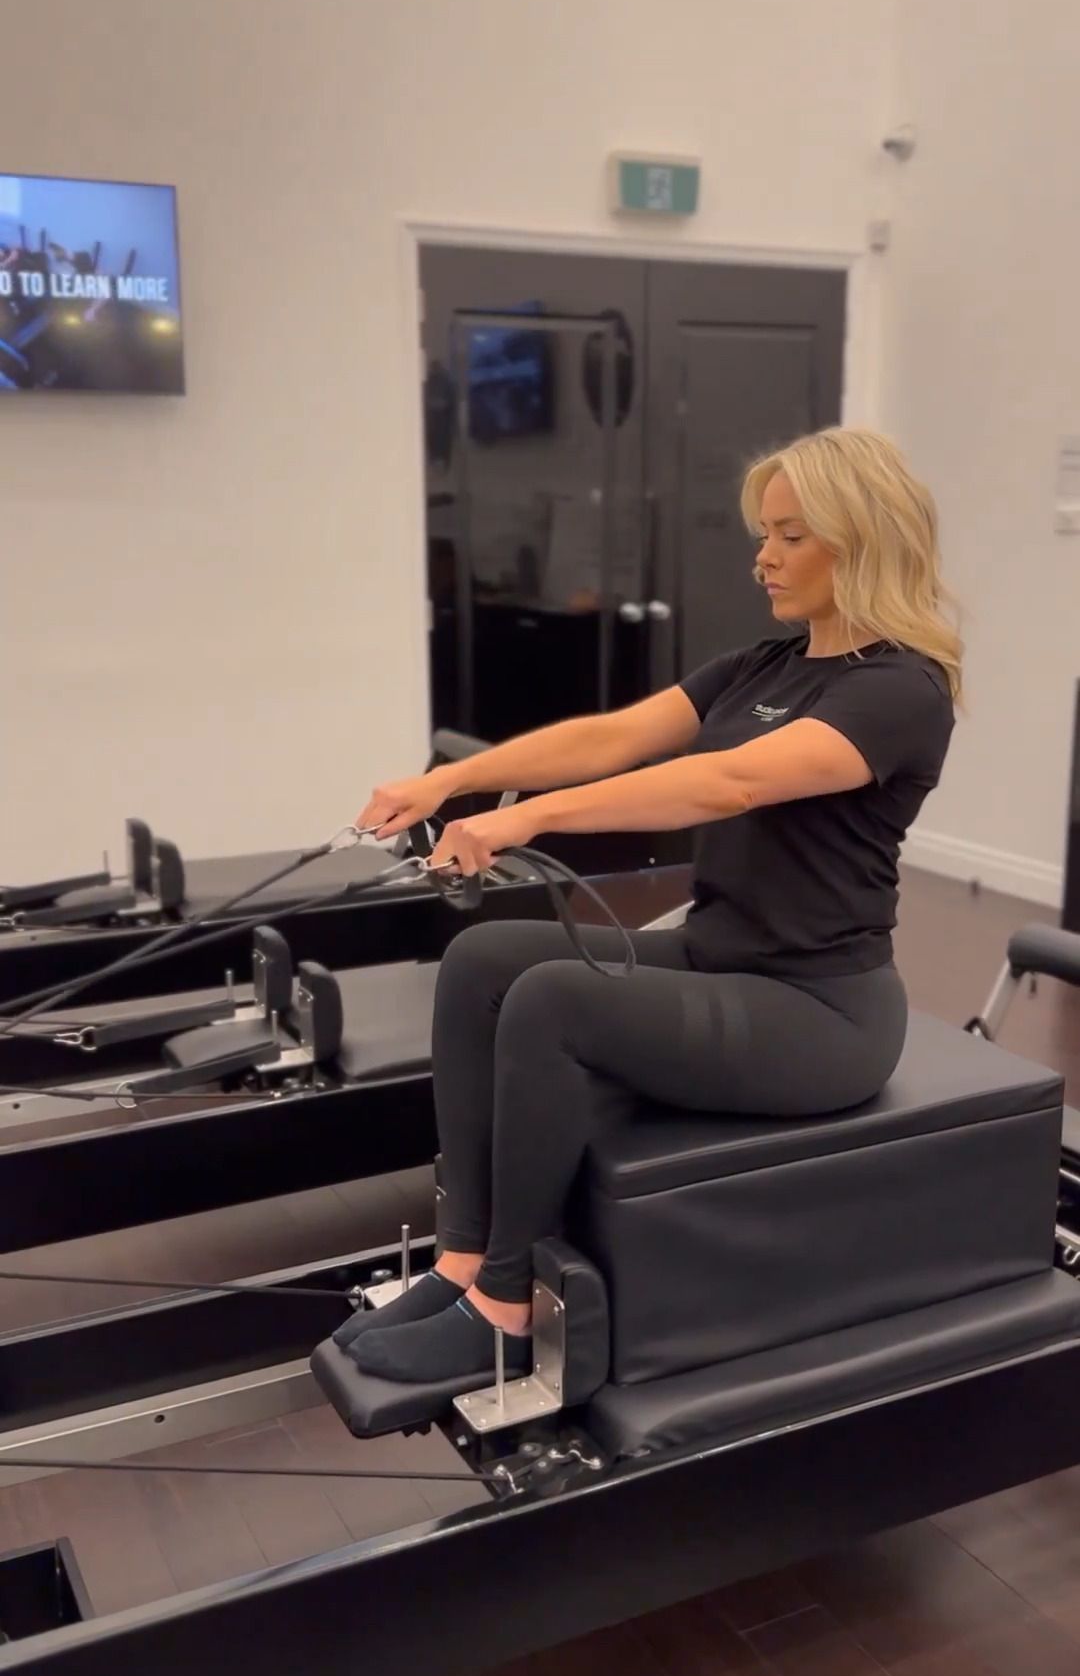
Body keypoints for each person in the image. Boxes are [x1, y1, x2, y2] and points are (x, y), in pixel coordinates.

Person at [334, 426, 962, 1388]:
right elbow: (612, 737)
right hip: (721, 955)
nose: (764, 556)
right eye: (764, 534)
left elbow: (730, 784)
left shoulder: (901, 689)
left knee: (551, 1002)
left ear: (863, 538)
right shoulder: (764, 666)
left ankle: (506, 1307)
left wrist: (525, 819)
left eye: (791, 536)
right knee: (484, 961)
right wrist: (450, 783)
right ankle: (462, 1260)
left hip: (820, 1012)